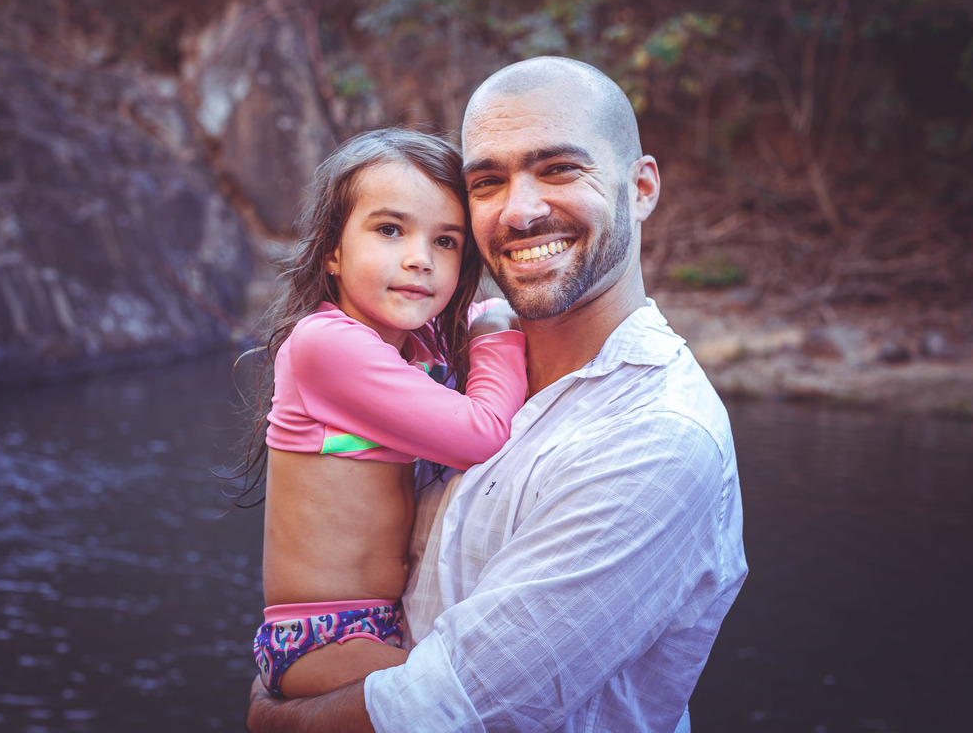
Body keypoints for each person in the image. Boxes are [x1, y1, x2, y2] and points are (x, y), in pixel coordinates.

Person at [248, 57, 747, 732]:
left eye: (559, 169)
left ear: (641, 187)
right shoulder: (436, 360)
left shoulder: (656, 436)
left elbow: (455, 707)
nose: (520, 210)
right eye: (487, 182)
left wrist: (277, 721)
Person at [241, 128, 528, 701]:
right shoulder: (325, 344)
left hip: (379, 623)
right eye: (390, 230)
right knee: (472, 703)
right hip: (323, 634)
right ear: (332, 251)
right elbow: (483, 432)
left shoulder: (415, 348)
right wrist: (499, 330)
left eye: (445, 241)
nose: (420, 259)